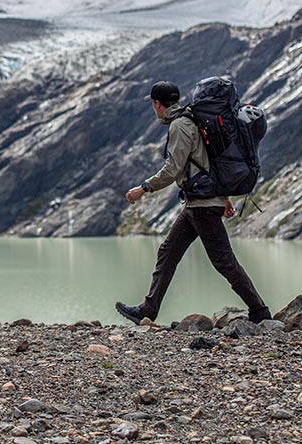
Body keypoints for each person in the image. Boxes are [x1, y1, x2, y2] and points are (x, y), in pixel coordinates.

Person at [115, 80, 271, 325]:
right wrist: (225, 198)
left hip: (203, 205)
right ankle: (149, 309)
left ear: (157, 104)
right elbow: (211, 160)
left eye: (153, 104)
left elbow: (173, 168)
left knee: (224, 261)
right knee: (168, 252)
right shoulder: (195, 118)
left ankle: (259, 310)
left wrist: (143, 189)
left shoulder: (181, 124)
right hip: (200, 202)